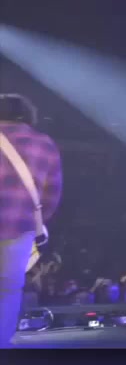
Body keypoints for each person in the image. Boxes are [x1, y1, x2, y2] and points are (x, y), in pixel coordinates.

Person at [0, 94, 63, 347]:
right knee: (8, 290)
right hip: (19, 228)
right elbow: (52, 195)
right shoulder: (44, 144)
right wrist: (34, 221)